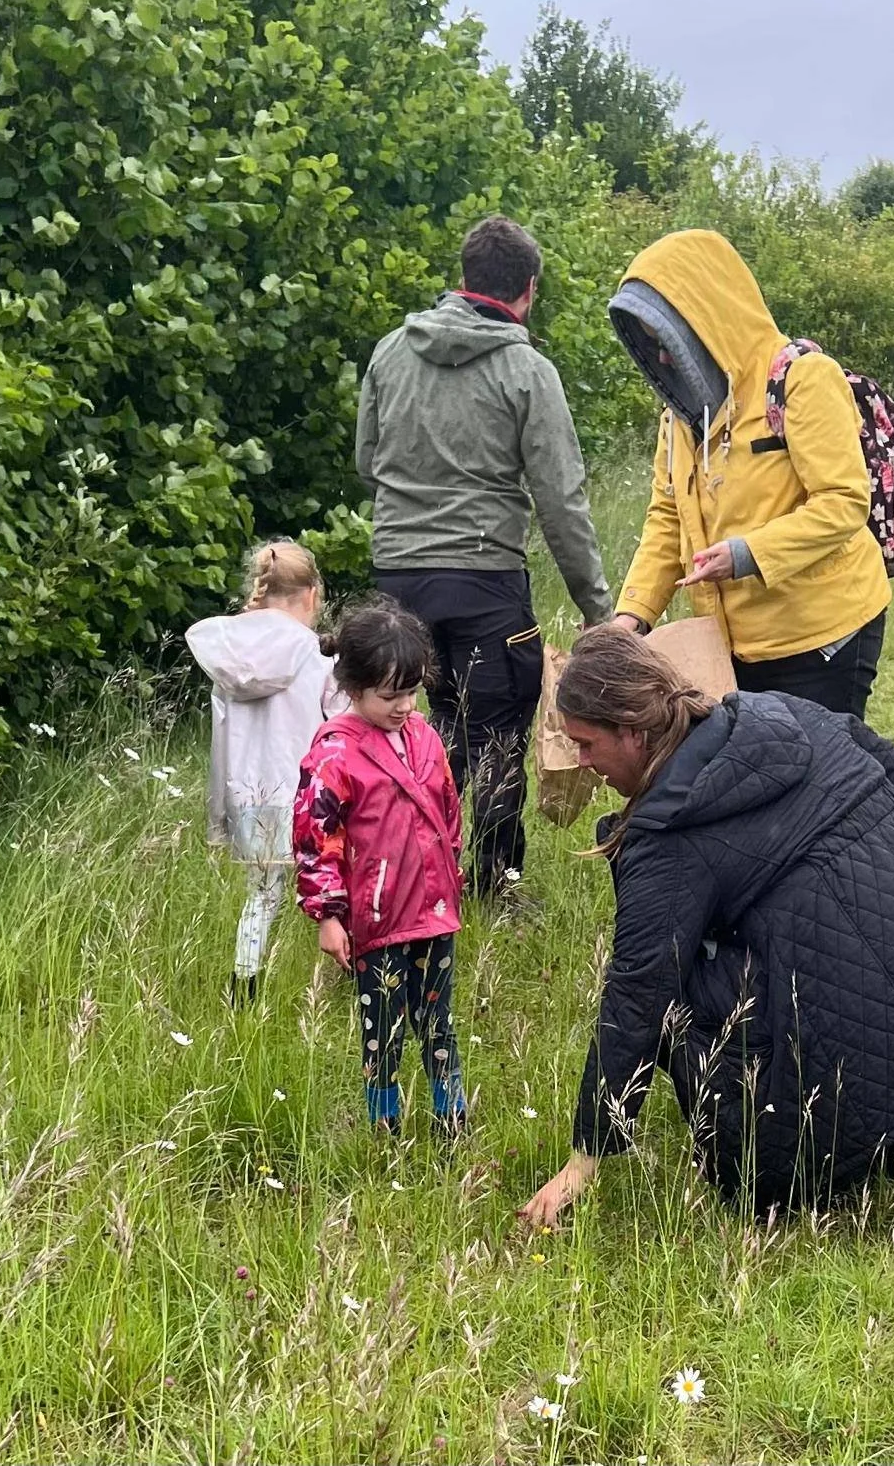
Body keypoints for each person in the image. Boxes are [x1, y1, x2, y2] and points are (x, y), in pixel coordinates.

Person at [518, 630, 894, 1225]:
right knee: (819, 938)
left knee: (689, 991)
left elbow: (639, 991)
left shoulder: (667, 839)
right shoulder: (779, 712)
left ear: (632, 729)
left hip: (846, 999)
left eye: (586, 743)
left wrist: (586, 1156)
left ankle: (805, 1150)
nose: (582, 762)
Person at [356, 215, 613, 900]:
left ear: (465, 275)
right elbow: (560, 500)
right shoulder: (527, 371)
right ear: (528, 290)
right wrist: (598, 610)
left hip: (398, 577)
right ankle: (493, 883)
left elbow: (366, 461)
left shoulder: (390, 352)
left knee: (411, 726)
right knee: (496, 733)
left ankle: (403, 875)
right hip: (484, 578)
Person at [607, 229, 891, 720]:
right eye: (653, 345)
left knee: (821, 767)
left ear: (705, 323)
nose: (664, 358)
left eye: (669, 340)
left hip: (822, 637)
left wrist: (746, 554)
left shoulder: (803, 378)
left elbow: (843, 501)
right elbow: (667, 519)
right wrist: (632, 616)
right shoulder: (678, 418)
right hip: (733, 649)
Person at [293, 602, 467, 1134]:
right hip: (378, 921)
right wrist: (329, 915)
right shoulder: (334, 754)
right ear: (352, 685)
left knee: (438, 1022)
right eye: (390, 696)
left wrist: (451, 872)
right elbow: (314, 837)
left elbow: (448, 810)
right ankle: (383, 1126)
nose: (404, 706)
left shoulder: (425, 737)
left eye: (412, 692)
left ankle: (452, 1117)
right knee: (383, 1030)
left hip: (434, 913)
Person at [186, 540, 333, 1007]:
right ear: (311, 594)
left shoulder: (229, 652)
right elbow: (340, 721)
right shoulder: (316, 654)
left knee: (263, 892)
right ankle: (351, 975)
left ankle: (244, 983)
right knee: (335, 882)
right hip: (310, 794)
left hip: (248, 794)